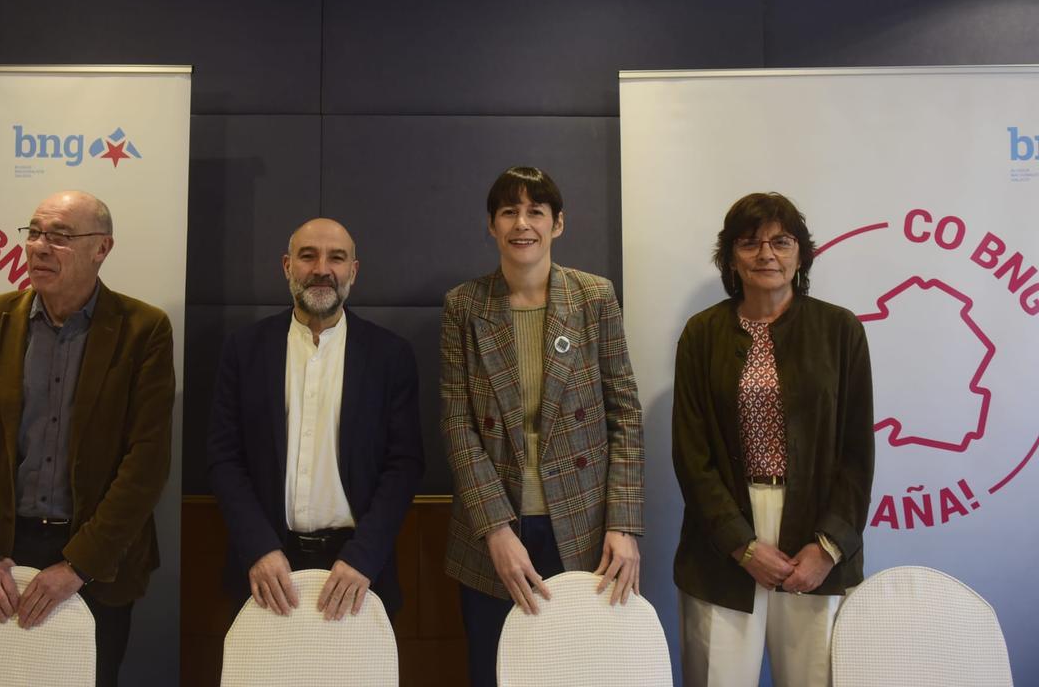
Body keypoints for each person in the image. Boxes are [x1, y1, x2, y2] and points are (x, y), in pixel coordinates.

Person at [0, 190, 175, 686]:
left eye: (59, 236)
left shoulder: (143, 330)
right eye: (35, 232)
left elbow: (145, 465)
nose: (39, 246)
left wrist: (79, 566)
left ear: (101, 248)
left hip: (96, 564)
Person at [441, 166, 645, 686]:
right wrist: (496, 529)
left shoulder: (594, 297)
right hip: (495, 532)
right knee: (496, 670)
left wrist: (622, 525)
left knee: (581, 671)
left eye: (535, 211)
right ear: (491, 225)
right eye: (509, 211)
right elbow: (458, 426)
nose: (521, 223)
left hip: (583, 526)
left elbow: (625, 414)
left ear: (558, 224)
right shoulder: (464, 306)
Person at [672, 192, 875, 687]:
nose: (767, 254)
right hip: (723, 540)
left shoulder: (840, 331)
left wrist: (828, 547)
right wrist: (741, 545)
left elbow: (857, 453)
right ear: (730, 257)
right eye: (750, 243)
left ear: (801, 254)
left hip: (813, 534)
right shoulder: (702, 335)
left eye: (781, 242)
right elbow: (691, 455)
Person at [207, 218, 424, 622]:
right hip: (266, 570)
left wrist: (363, 558)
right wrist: (258, 547)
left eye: (336, 258)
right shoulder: (244, 350)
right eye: (308, 256)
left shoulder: (390, 356)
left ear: (353, 272)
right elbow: (224, 458)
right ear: (287, 266)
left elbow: (405, 465)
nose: (322, 269)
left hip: (358, 571)